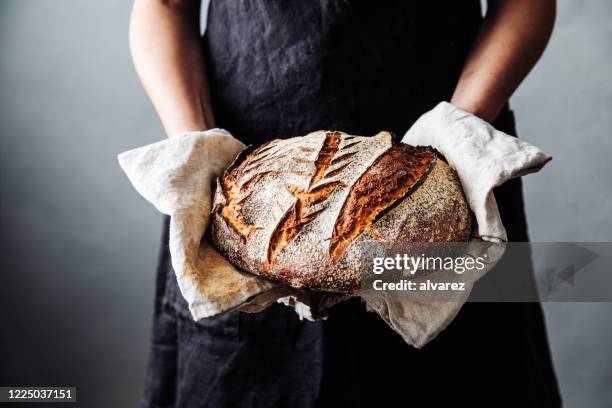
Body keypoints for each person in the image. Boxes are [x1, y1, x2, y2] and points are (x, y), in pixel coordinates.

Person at [129, 1, 561, 406]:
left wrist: (459, 130)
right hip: (246, 195)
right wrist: (203, 153)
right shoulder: (232, 195)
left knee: (466, 379)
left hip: (450, 169)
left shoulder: (451, 161)